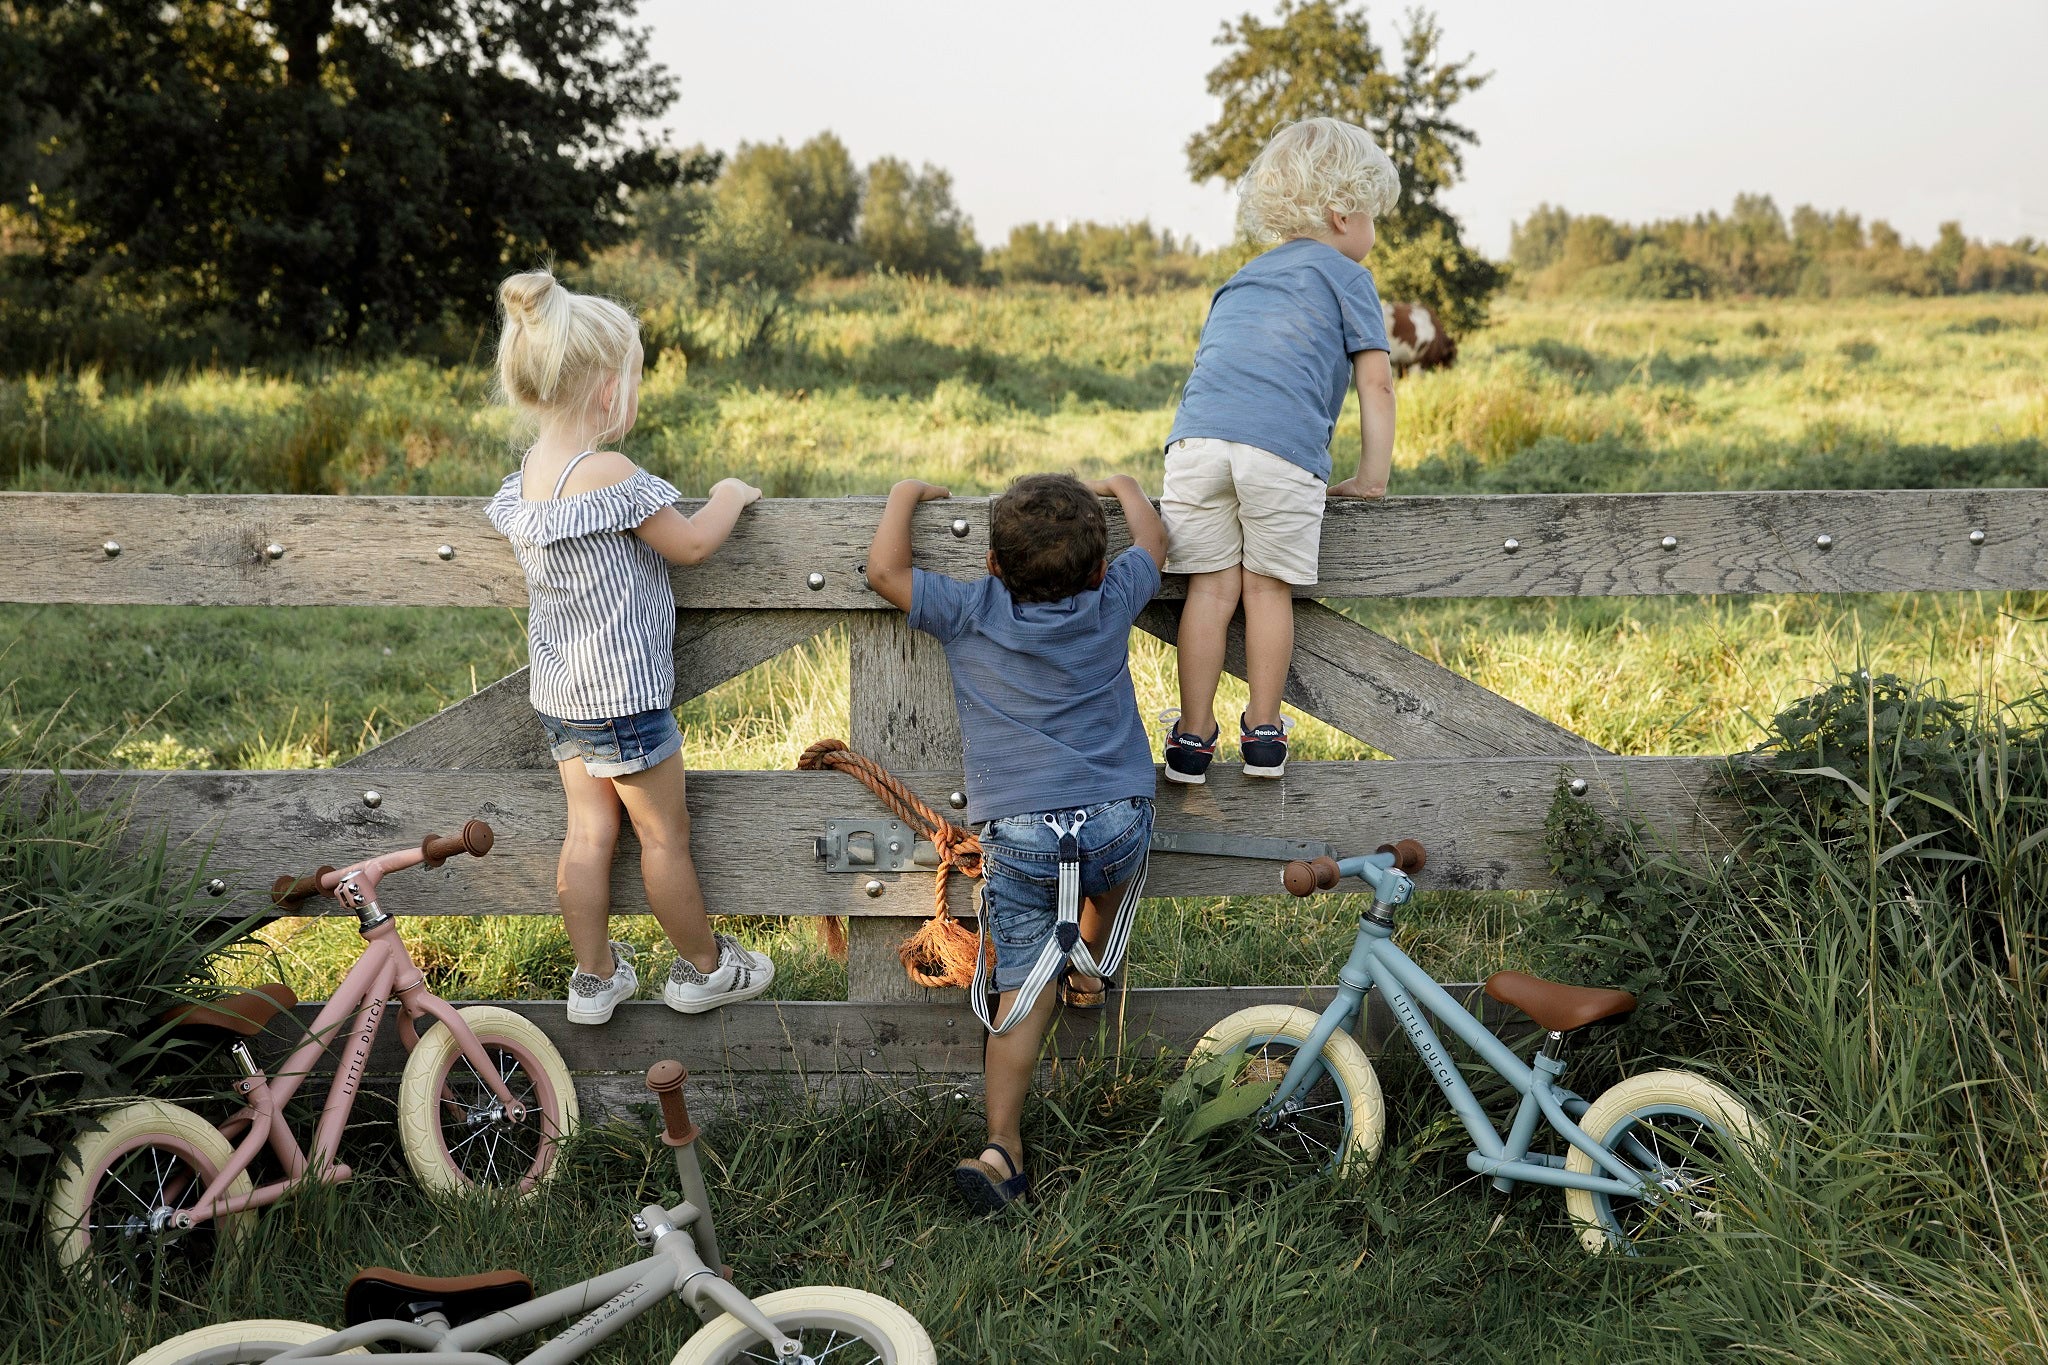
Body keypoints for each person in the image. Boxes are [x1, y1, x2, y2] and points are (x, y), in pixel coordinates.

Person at [866, 471, 1167, 1212]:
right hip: (1116, 816)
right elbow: (1157, 543)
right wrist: (1127, 488)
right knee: (1108, 865)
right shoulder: (1111, 600)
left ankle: (1003, 1146)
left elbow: (883, 572)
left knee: (1015, 994)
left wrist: (905, 493)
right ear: (1101, 568)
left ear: (995, 565)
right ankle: (1091, 966)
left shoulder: (970, 609)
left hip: (1024, 836)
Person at [485, 267, 774, 1025]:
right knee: (664, 837)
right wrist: (731, 496)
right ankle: (705, 967)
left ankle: (593, 977)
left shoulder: (530, 477)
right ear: (608, 391)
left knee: (587, 834)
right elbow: (693, 544)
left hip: (561, 696)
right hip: (625, 699)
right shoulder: (609, 472)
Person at [1160, 116, 1400, 783]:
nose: (1374, 234)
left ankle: (1192, 734)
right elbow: (1375, 382)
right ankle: (1263, 731)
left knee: (1208, 590)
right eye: (1373, 217)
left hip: (1195, 442)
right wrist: (1370, 476)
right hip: (1281, 451)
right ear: (1341, 213)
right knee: (1267, 589)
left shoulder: (1243, 277)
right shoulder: (1348, 277)